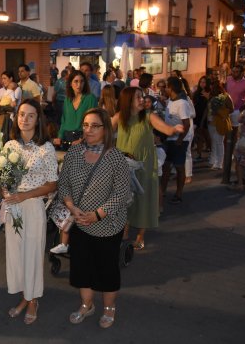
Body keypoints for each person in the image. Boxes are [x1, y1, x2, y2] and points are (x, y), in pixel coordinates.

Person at [58, 108, 131, 329]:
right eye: (86, 125)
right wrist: (72, 207)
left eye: (95, 125)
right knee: (81, 268)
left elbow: (121, 194)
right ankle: (86, 305)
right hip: (80, 223)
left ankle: (109, 308)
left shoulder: (115, 157)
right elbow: (63, 185)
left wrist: (97, 215)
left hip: (107, 225)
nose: (88, 130)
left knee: (106, 269)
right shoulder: (74, 152)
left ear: (105, 128)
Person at [4, 99, 57, 325]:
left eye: (30, 115)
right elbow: (3, 175)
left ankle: (33, 300)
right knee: (15, 255)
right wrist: (5, 190)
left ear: (38, 119)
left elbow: (52, 184)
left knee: (33, 254)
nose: (24, 119)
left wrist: (25, 195)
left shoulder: (46, 147)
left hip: (33, 205)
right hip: (12, 206)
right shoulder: (9, 146)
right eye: (21, 114)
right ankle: (24, 297)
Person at [112, 88, 184, 249]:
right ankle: (125, 230)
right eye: (138, 97)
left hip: (144, 165)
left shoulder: (148, 115)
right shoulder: (119, 117)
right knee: (124, 199)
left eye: (142, 96)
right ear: (128, 100)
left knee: (143, 199)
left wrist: (173, 130)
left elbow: (165, 128)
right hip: (124, 164)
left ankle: (140, 236)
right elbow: (104, 131)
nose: (142, 99)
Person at [160, 77, 193, 204]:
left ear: (171, 88)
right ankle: (162, 191)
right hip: (169, 138)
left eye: (166, 87)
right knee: (166, 166)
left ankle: (179, 193)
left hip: (180, 140)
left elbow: (187, 123)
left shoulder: (183, 103)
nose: (165, 89)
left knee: (179, 167)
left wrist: (180, 139)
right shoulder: (171, 101)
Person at [54, 71, 97, 151]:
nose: (79, 85)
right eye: (76, 81)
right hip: (66, 138)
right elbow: (64, 121)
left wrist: (83, 139)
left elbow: (93, 123)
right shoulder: (67, 100)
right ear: (70, 83)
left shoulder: (90, 98)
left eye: (82, 81)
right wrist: (59, 137)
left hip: (83, 138)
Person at [207, 81, 234, 170]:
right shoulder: (212, 97)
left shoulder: (225, 96)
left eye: (214, 88)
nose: (212, 89)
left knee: (219, 142)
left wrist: (223, 113)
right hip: (211, 122)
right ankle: (214, 161)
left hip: (220, 122)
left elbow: (231, 109)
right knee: (214, 142)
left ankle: (219, 163)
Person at [226, 65, 245, 149]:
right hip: (226, 109)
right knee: (225, 130)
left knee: (234, 131)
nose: (234, 73)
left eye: (236, 72)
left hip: (237, 110)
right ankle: (225, 150)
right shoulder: (228, 79)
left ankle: (232, 150)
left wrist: (241, 109)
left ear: (242, 73)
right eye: (233, 71)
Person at [192, 76, 211, 160]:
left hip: (206, 115)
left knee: (207, 135)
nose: (202, 84)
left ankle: (210, 150)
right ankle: (199, 153)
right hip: (197, 115)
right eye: (201, 82)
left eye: (204, 82)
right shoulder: (197, 92)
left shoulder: (209, 93)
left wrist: (208, 97)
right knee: (198, 136)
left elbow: (209, 106)